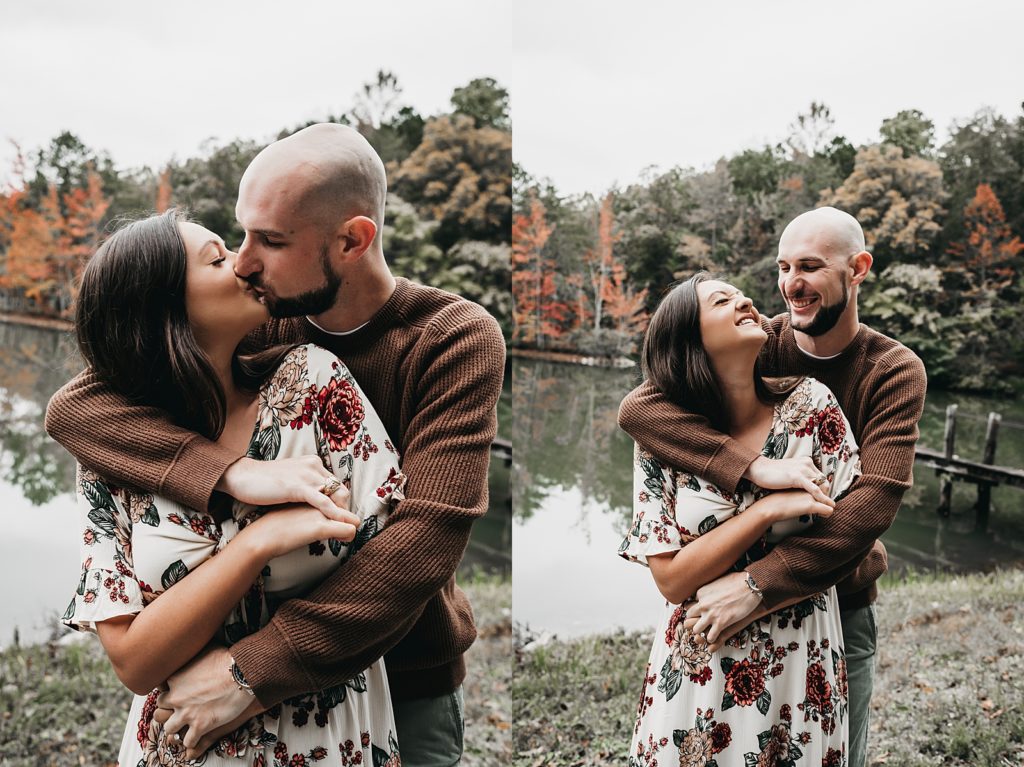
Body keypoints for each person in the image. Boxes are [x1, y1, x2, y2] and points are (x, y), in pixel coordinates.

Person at [47, 123, 506, 766]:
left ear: (352, 240)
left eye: (271, 240)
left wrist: (250, 671)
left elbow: (422, 542)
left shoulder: (450, 338)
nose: (243, 260)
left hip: (396, 674)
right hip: (197, 689)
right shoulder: (261, 316)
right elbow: (76, 407)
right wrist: (231, 474)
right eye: (239, 236)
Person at [63, 209, 403, 765]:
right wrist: (254, 544)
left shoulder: (314, 387)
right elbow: (134, 664)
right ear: (163, 307)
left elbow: (394, 561)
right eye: (218, 259)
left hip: (327, 733)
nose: (246, 266)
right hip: (182, 742)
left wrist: (251, 672)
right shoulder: (114, 451)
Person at [618, 207, 927, 767]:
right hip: (706, 622)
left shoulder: (891, 371)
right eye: (784, 267)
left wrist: (758, 585)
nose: (789, 285)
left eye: (809, 266)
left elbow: (869, 506)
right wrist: (753, 470)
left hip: (832, 599)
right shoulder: (762, 338)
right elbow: (639, 407)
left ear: (858, 269)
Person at [621, 271, 859, 766]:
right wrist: (766, 509)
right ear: (689, 337)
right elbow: (671, 578)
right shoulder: (663, 436)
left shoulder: (812, 407)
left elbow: (848, 532)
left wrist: (754, 586)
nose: (745, 299)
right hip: (698, 661)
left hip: (801, 656)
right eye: (721, 300)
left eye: (741, 293)